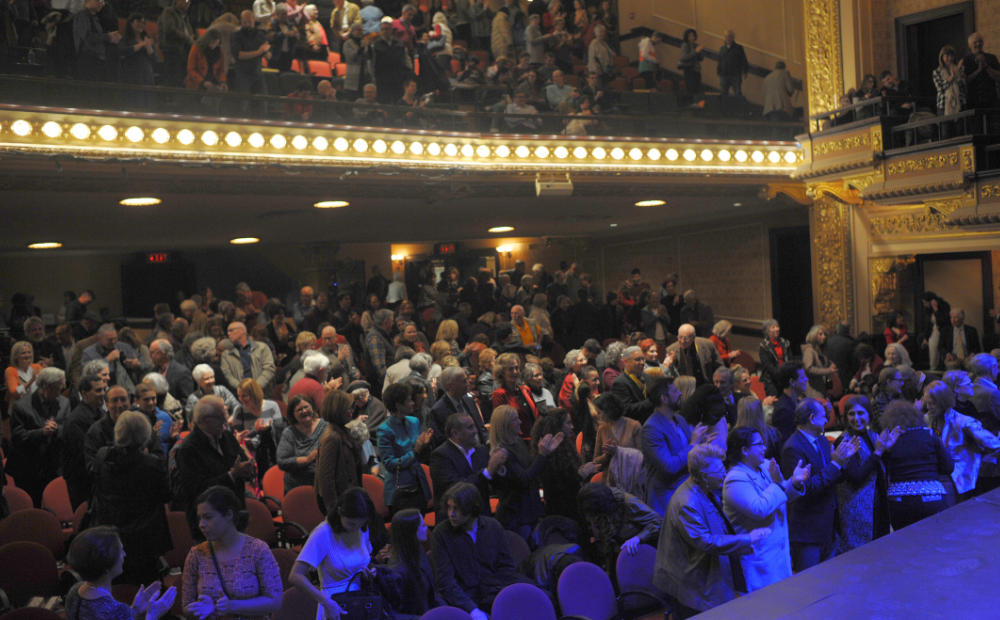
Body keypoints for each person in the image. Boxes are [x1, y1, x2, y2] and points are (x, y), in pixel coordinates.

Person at [655, 444, 769, 618]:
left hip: (703, 575)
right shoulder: (687, 502)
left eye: (723, 467)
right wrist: (748, 539)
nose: (724, 473)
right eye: (719, 470)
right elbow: (705, 541)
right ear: (704, 476)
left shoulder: (703, 489)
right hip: (690, 584)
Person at [91, 411, 173, 585]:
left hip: (110, 536)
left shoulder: (102, 456)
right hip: (145, 542)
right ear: (145, 435)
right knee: (146, 594)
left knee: (117, 590)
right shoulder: (151, 464)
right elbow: (166, 495)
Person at [723, 426, 809, 592]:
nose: (764, 448)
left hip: (778, 555)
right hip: (759, 560)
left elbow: (781, 497)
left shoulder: (764, 467)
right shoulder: (734, 479)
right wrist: (778, 483)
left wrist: (794, 482)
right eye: (759, 444)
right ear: (745, 450)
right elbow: (759, 509)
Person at [182, 486, 283, 619]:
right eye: (199, 518)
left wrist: (232, 606)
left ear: (229, 514)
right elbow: (186, 606)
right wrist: (201, 609)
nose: (201, 524)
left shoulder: (257, 549)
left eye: (208, 517)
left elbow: (275, 601)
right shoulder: (196, 555)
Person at [781, 399, 857, 572]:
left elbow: (831, 478)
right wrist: (835, 465)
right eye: (824, 416)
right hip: (807, 533)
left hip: (828, 527)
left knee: (829, 581)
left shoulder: (822, 441)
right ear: (813, 418)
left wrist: (843, 462)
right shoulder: (792, 448)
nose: (827, 420)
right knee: (809, 587)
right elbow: (805, 489)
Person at [433, 482, 521, 619]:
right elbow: (446, 583)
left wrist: (501, 598)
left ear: (471, 509)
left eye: (457, 509)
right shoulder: (441, 534)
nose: (451, 514)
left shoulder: (493, 527)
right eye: (449, 507)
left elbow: (507, 568)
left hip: (494, 593)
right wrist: (472, 610)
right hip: (464, 600)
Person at [174, 396, 255, 538]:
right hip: (209, 526)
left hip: (235, 517)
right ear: (205, 420)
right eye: (220, 416)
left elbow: (244, 463)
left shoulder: (227, 437)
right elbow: (199, 489)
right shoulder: (188, 449)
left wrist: (248, 470)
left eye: (224, 414)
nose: (225, 419)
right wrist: (231, 475)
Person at [66, 527, 177, 620]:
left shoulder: (74, 592)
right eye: (120, 551)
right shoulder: (114, 609)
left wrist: (135, 609)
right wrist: (153, 615)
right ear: (107, 565)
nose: (124, 554)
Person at [833, 396, 895, 554]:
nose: (856, 418)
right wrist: (879, 451)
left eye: (861, 413)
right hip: (857, 509)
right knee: (862, 557)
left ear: (868, 414)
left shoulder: (872, 435)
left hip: (879, 505)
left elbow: (879, 469)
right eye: (851, 414)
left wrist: (887, 451)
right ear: (846, 417)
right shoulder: (844, 441)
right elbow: (856, 477)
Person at [642, 376, 712, 515]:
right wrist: (693, 443)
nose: (680, 393)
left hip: (687, 487)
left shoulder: (679, 419)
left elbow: (686, 453)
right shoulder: (651, 429)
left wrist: (702, 443)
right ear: (664, 399)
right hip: (666, 495)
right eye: (675, 391)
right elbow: (670, 466)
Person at [489, 404, 562, 538]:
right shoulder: (502, 452)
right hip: (517, 518)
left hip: (530, 513)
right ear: (505, 424)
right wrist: (542, 455)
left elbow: (531, 468)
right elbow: (524, 479)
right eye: (515, 419)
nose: (520, 422)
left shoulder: (517, 441)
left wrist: (546, 454)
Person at [923, 380, 1000, 503]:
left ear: (942, 402)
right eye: (926, 403)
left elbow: (995, 444)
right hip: (934, 477)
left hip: (958, 482)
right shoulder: (927, 419)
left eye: (931, 404)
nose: (928, 407)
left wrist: (977, 462)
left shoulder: (964, 422)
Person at [880, 401, 953, 530]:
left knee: (906, 544)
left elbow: (883, 471)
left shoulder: (889, 441)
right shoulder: (929, 434)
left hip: (899, 502)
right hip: (932, 498)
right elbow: (948, 467)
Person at [7, 366, 69, 505]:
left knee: (54, 507)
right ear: (48, 385)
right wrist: (42, 432)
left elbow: (67, 429)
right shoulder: (21, 406)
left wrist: (56, 429)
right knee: (32, 508)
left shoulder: (64, 403)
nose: (65, 386)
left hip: (53, 466)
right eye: (61, 383)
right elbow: (17, 437)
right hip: (27, 468)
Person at [430, 412, 506, 519]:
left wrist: (499, 465)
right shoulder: (440, 456)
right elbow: (457, 489)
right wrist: (488, 471)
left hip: (482, 518)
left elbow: (495, 484)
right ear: (455, 433)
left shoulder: (481, 450)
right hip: (454, 523)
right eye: (470, 427)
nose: (476, 431)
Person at [532, 407, 598, 523]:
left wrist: (580, 473)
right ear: (557, 426)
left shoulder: (565, 445)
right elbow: (558, 489)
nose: (572, 427)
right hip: (562, 512)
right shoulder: (547, 452)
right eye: (568, 423)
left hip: (572, 506)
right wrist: (580, 476)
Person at [378, 382, 434, 514]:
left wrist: (425, 445)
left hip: (419, 485)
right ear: (398, 405)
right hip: (400, 492)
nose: (413, 403)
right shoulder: (384, 430)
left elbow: (419, 455)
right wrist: (415, 451)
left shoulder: (414, 421)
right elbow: (390, 464)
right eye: (409, 400)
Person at [380, 508, 444, 618]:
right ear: (412, 532)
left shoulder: (419, 551)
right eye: (423, 526)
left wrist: (446, 611)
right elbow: (393, 614)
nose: (426, 529)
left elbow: (433, 595)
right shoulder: (396, 570)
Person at [315, 390, 366, 514]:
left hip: (348, 496)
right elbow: (326, 478)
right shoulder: (332, 437)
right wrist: (335, 508)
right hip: (339, 504)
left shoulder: (342, 431)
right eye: (347, 408)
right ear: (337, 410)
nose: (351, 411)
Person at [277, 394, 328, 493]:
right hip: (297, 488)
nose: (304, 411)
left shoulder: (325, 426)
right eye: (300, 410)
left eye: (306, 407)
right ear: (293, 414)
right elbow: (282, 462)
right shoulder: (289, 433)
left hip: (323, 486)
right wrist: (306, 459)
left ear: (312, 407)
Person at [491, 353, 537, 438]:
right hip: (518, 441)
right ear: (502, 373)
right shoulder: (499, 394)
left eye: (516, 368)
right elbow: (504, 424)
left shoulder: (526, 389)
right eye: (510, 369)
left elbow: (536, 414)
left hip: (535, 438)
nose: (515, 372)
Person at [665, 324, 719, 388]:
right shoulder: (670, 350)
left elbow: (719, 366)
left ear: (693, 337)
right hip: (684, 388)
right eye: (680, 337)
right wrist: (669, 365)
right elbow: (668, 375)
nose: (682, 341)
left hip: (705, 385)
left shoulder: (708, 344)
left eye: (686, 338)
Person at [734, 395, 782, 461]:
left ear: (740, 413)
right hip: (768, 470)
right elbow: (778, 461)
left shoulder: (734, 436)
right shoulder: (773, 434)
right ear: (760, 412)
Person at [961, 32, 1000, 110]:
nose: (978, 44)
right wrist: (978, 70)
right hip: (973, 102)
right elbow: (964, 80)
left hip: (991, 100)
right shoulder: (965, 61)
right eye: (975, 42)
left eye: (980, 41)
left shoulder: (991, 58)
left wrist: (986, 67)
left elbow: (999, 77)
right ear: (969, 45)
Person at [801, 324, 836, 399]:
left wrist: (830, 368)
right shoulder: (809, 350)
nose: (824, 337)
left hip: (820, 387)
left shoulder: (820, 350)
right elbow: (808, 368)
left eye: (824, 334)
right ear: (813, 335)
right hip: (812, 389)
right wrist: (828, 370)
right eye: (820, 334)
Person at [5, 340, 41, 411]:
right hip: (19, 409)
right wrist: (31, 380)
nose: (27, 355)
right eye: (23, 353)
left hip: (37, 407)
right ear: (16, 356)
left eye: (29, 352)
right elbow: (14, 393)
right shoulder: (10, 370)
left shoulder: (37, 366)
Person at [758, 319, 790, 397]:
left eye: (777, 326)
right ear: (767, 331)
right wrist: (779, 375)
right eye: (773, 327)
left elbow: (789, 359)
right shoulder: (763, 346)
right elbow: (768, 365)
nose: (776, 329)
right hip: (771, 380)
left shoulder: (785, 342)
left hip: (785, 377)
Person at [921, 292, 950, 372]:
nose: (924, 304)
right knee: (933, 357)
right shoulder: (928, 310)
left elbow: (943, 321)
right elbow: (927, 325)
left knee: (944, 357)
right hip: (933, 334)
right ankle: (933, 374)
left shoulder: (945, 307)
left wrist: (936, 309)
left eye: (925, 302)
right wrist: (926, 338)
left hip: (943, 334)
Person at [678, 28, 703, 99]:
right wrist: (696, 51)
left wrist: (699, 51)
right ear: (687, 37)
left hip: (697, 70)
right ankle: (691, 104)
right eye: (690, 36)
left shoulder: (695, 45)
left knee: (697, 89)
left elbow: (700, 59)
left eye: (693, 36)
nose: (692, 38)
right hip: (689, 70)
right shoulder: (685, 45)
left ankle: (696, 104)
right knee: (691, 89)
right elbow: (685, 57)